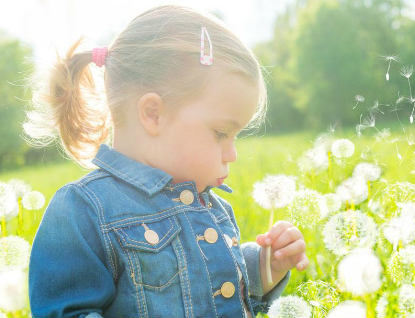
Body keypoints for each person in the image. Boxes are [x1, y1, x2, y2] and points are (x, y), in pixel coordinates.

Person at [26, 5, 308, 318]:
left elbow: (213, 292)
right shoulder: (84, 210)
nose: (232, 154)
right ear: (153, 114)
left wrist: (265, 268)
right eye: (221, 133)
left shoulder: (212, 209)